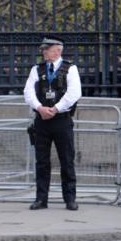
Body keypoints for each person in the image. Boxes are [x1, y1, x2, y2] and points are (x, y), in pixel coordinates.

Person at [23, 37, 82, 211]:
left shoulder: (70, 69)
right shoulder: (37, 69)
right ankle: (41, 199)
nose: (43, 52)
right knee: (41, 161)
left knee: (67, 160)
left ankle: (70, 199)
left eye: (46, 49)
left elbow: (74, 93)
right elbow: (28, 92)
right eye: (43, 49)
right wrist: (40, 108)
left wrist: (55, 109)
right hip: (41, 120)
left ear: (58, 50)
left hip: (61, 120)